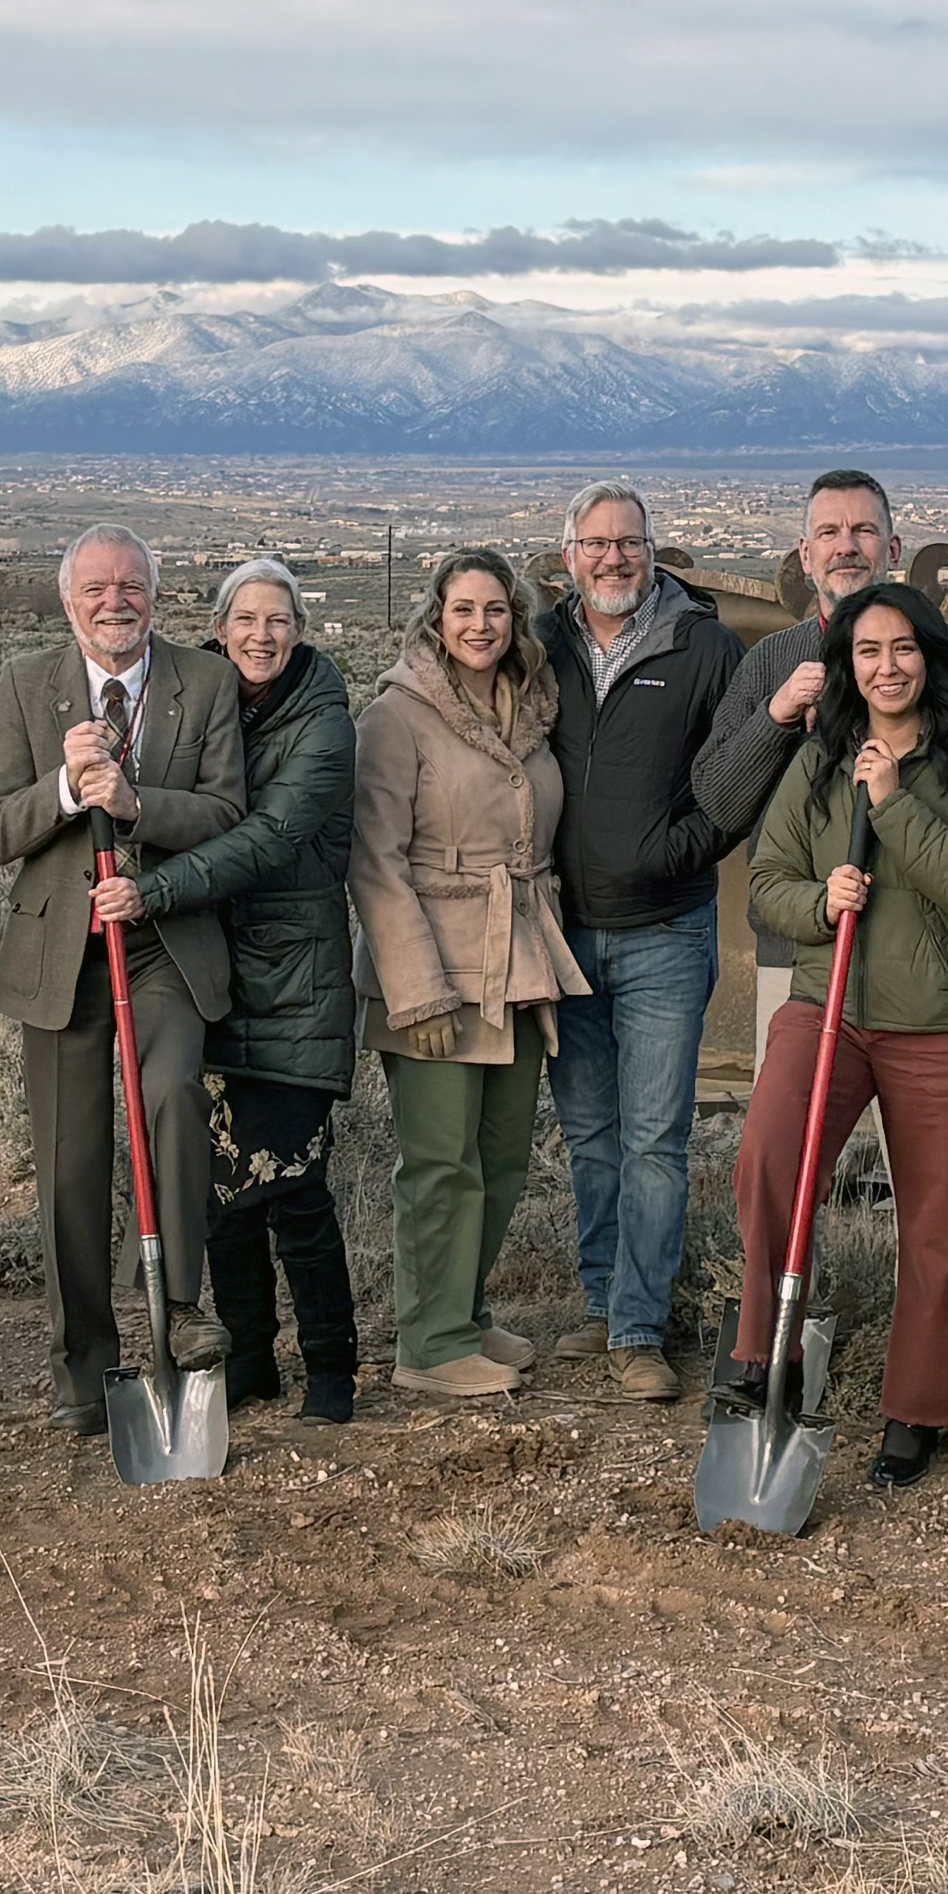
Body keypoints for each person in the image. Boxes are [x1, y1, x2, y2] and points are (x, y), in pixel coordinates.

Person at [732, 580, 948, 1486]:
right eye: (868, 651)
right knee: (770, 1162)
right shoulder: (818, 763)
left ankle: (920, 1405)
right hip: (831, 1010)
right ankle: (763, 1352)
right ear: (847, 666)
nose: (887, 666)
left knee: (933, 1223)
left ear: (930, 658)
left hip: (941, 1025)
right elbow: (766, 878)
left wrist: (893, 803)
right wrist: (821, 901)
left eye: (903, 648)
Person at [0, 530, 250, 1435]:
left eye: (131, 586)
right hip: (63, 956)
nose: (115, 601)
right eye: (96, 588)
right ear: (69, 603)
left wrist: (136, 807)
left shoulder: (202, 684)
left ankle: (176, 1308)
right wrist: (64, 787)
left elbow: (225, 811)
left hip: (163, 945)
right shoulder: (26, 684)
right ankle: (82, 1371)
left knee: (170, 1092)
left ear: (156, 598)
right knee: (71, 1162)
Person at [113, 561, 363, 1424]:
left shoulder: (324, 725)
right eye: (246, 619)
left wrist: (154, 891)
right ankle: (253, 1358)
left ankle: (332, 1371)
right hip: (212, 974)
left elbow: (264, 839)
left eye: (279, 619)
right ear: (218, 627)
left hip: (296, 979)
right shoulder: (209, 708)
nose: (263, 635)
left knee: (292, 1183)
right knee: (224, 1191)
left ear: (299, 628)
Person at [350, 549, 586, 1399]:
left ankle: (464, 1307)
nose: (481, 625)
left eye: (496, 609)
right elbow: (375, 863)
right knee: (441, 1161)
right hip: (437, 966)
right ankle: (430, 1340)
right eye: (463, 610)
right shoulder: (396, 715)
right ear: (435, 618)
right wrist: (418, 989)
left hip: (518, 958)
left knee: (501, 1155)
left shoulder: (530, 707)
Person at [537, 480, 746, 1402]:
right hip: (563, 931)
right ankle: (602, 1298)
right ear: (568, 553)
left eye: (629, 543)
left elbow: (741, 773)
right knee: (590, 1132)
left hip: (665, 928)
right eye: (596, 544)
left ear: (653, 551)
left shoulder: (704, 646)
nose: (613, 558)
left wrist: (682, 850)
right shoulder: (539, 646)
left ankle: (639, 1327)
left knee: (656, 1136)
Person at [692, 468, 948, 1013]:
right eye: (829, 534)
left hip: (932, 952)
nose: (846, 548)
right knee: (801, 1096)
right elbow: (717, 802)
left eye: (864, 531)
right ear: (805, 556)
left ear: (893, 547)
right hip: (796, 942)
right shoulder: (771, 661)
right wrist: (776, 718)